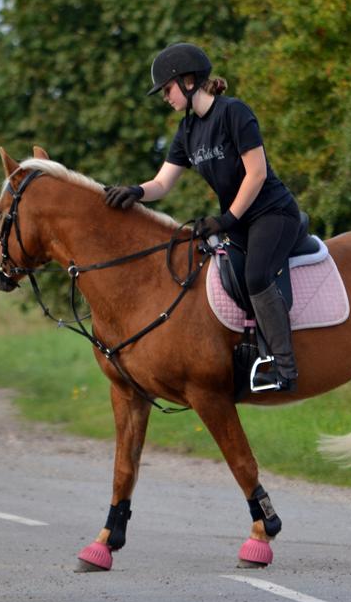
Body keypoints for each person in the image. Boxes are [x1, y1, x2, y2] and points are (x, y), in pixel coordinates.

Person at [105, 42, 300, 393]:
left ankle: (283, 368)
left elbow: (256, 174)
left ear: (188, 81)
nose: (165, 97)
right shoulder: (187, 131)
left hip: (273, 213)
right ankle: (245, 356)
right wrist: (136, 191)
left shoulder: (234, 113)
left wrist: (226, 220)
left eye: (167, 89)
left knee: (256, 275)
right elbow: (163, 183)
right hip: (239, 220)